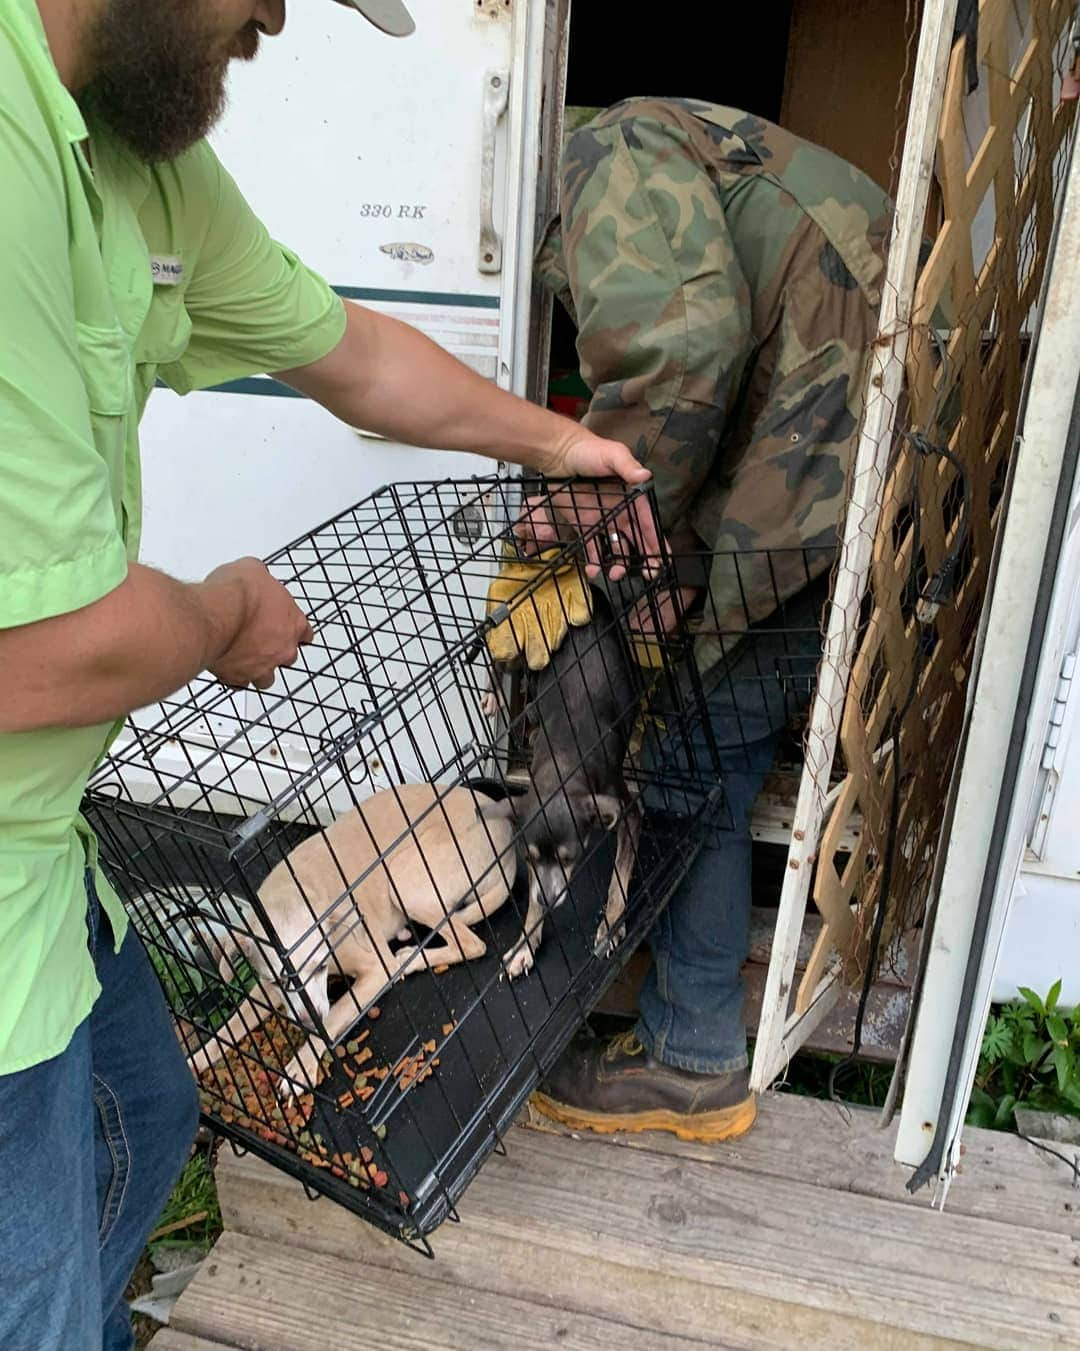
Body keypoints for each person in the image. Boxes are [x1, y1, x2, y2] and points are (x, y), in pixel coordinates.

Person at [0, 2, 656, 1346]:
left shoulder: (139, 155)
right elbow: (40, 655)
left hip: (41, 855)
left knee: (147, 1099)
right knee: (41, 1295)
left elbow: (350, 351)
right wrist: (224, 609)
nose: (278, 16)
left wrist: (557, 445)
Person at [527, 97, 893, 1144]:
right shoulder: (701, 148)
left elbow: (682, 343)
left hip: (818, 459)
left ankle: (691, 1056)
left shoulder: (607, 148)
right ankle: (688, 1027)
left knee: (697, 757)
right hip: (850, 451)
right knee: (720, 742)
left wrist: (602, 508)